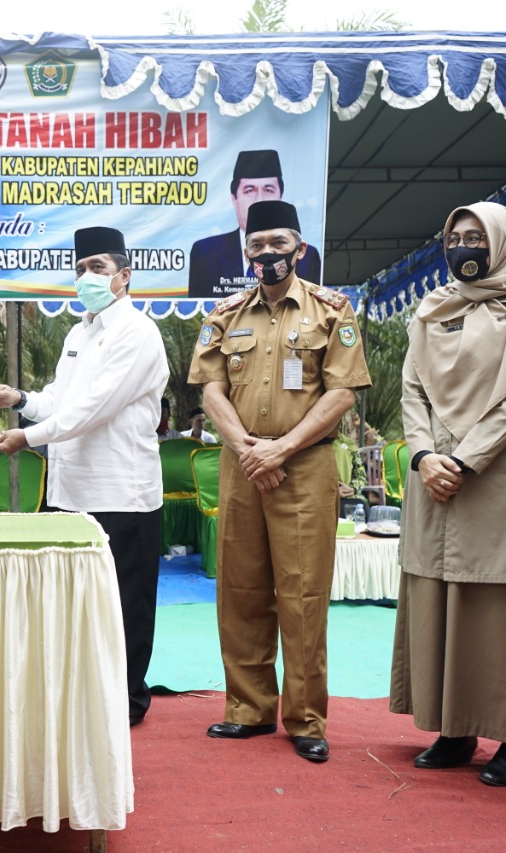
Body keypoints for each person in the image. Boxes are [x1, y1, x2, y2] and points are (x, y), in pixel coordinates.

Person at [389, 202, 506, 787]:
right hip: (433, 479)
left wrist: (464, 461)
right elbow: (411, 390)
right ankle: (454, 728)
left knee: (504, 605)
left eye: (477, 238)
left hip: (495, 478)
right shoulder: (432, 306)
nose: (464, 248)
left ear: (501, 242)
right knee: (443, 598)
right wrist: (424, 457)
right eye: (455, 238)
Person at [188, 200, 370, 762]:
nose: (267, 254)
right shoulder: (225, 314)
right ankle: (247, 708)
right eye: (257, 245)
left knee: (303, 593)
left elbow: (341, 392)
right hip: (241, 466)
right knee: (239, 589)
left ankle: (306, 718)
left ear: (299, 249)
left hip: (304, 466)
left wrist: (282, 449)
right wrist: (245, 448)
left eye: (277, 244)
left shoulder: (331, 310)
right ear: (245, 251)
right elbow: (210, 387)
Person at [0, 226, 168, 727]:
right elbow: (59, 399)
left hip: (121, 493)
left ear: (124, 276)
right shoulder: (78, 331)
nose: (87, 278)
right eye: (80, 269)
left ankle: (126, 702)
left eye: (98, 268)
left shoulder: (138, 333)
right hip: (69, 492)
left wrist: (27, 438)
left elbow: (94, 409)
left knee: (124, 605)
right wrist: (20, 401)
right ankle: (82, 693)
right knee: (72, 601)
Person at [187, 150, 322, 298]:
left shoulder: (309, 257)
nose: (259, 198)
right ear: (234, 198)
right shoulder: (206, 253)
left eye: (268, 189)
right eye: (249, 190)